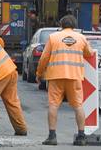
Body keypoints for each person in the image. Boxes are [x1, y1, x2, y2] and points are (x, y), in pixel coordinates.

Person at [36, 15, 93, 146]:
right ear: (74, 25)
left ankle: (52, 136)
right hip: (74, 76)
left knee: (53, 105)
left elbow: (44, 58)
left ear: (61, 25)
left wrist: (39, 73)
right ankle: (81, 136)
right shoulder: (81, 38)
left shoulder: (53, 37)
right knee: (78, 105)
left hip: (55, 76)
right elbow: (89, 53)